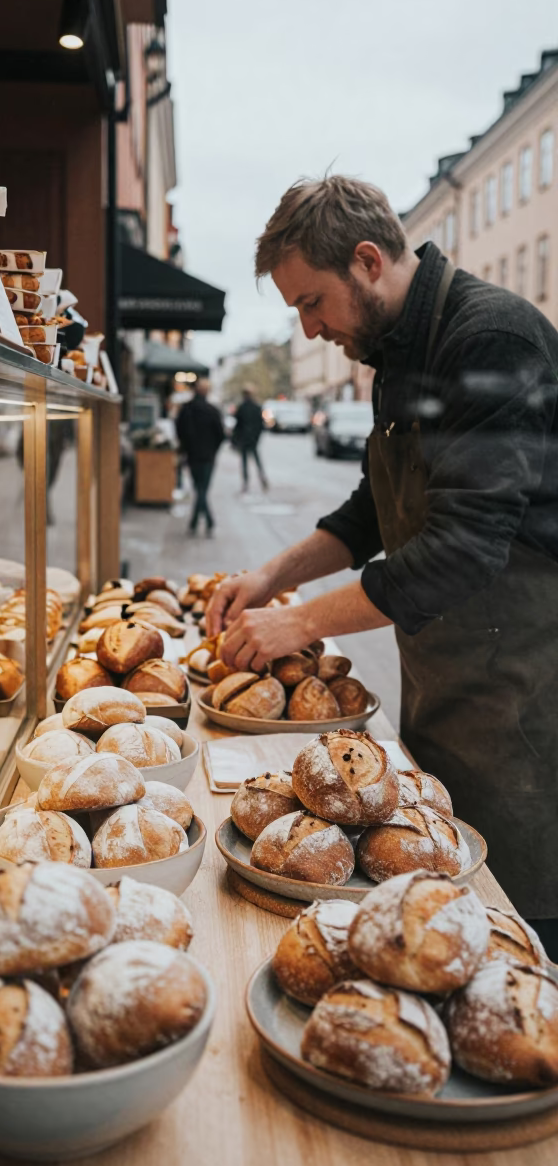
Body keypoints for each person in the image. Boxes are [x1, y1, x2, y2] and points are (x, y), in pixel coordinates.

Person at [206, 174, 558, 955]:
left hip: (532, 698)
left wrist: (296, 621)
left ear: (367, 260)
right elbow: (377, 506)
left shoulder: (489, 338)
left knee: (520, 922)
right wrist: (273, 576)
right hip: (453, 680)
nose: (306, 331)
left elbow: (461, 549)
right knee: (441, 901)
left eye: (310, 303)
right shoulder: (399, 350)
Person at [176, 378, 225, 536]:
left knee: (199, 489)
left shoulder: (186, 409)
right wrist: (213, 449)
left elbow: (179, 431)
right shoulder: (213, 410)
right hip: (208, 456)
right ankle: (208, 523)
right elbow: (221, 435)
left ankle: (195, 523)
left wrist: (185, 448)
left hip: (192, 455)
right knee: (202, 490)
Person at [232, 384, 268, 491]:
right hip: (252, 439)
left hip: (244, 439)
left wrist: (236, 439)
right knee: (256, 460)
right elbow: (261, 425)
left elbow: (237, 425)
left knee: (245, 462)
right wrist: (256, 437)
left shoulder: (242, 407)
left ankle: (246, 482)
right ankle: (261, 478)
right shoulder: (256, 407)